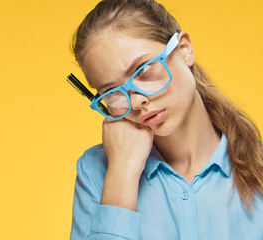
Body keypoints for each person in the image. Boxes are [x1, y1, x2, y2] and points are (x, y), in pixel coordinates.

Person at [68, 0, 263, 239]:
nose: (137, 101)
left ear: (184, 49)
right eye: (113, 92)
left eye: (143, 70)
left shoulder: (258, 166)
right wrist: (122, 172)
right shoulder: (96, 171)